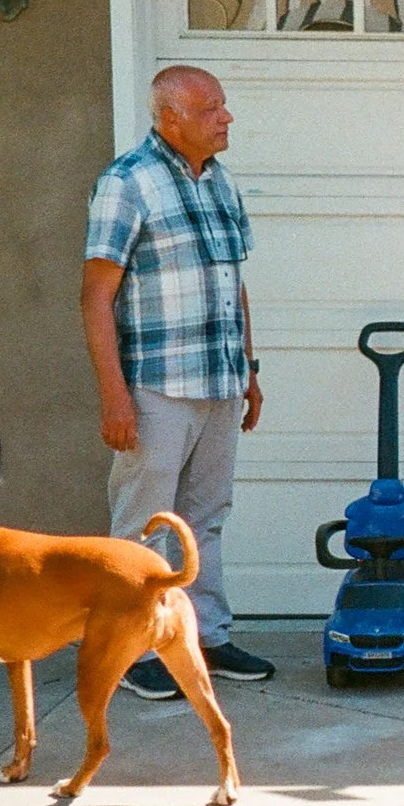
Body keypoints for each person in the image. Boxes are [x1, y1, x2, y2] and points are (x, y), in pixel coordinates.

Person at [80, 65, 275, 698]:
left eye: (224, 106)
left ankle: (206, 637)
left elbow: (232, 283)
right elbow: (95, 297)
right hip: (156, 387)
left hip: (218, 384)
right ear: (171, 118)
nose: (228, 117)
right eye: (212, 108)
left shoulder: (220, 182)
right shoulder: (126, 183)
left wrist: (248, 371)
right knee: (144, 523)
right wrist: (115, 395)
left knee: (205, 517)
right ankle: (131, 648)